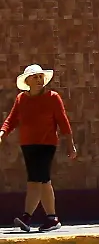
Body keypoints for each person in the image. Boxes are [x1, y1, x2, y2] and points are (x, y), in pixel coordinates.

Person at [0, 64, 77, 232]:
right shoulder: (21, 99)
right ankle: (27, 217)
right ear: (27, 81)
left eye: (40, 77)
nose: (39, 80)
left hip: (46, 144)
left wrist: (70, 145)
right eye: (35, 77)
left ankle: (52, 218)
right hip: (28, 144)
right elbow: (11, 119)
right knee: (34, 180)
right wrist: (2, 132)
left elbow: (63, 123)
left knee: (42, 179)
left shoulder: (52, 97)